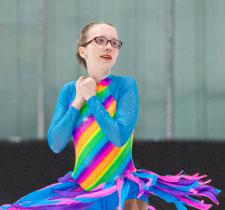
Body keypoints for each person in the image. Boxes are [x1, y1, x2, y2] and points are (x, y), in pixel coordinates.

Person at [0, 21, 220, 210]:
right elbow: (56, 144)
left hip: (124, 189)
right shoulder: (70, 91)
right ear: (83, 50)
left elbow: (119, 136)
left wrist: (92, 99)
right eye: (100, 40)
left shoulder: (125, 86)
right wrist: (78, 100)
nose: (109, 46)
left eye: (114, 43)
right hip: (83, 189)